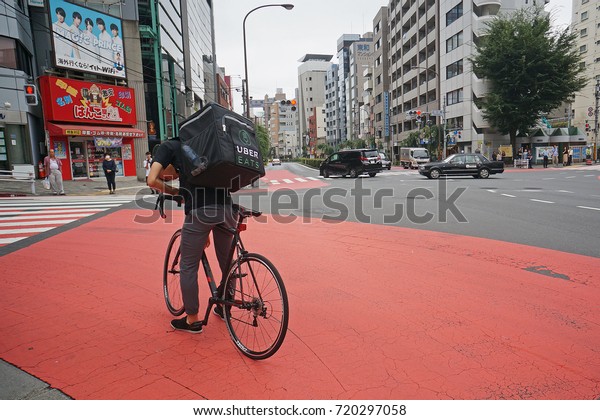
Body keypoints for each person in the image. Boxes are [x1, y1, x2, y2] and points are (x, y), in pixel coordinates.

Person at [148, 138, 236, 334]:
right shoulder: (205, 143)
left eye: (169, 174)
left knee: (188, 265)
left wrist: (177, 192)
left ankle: (192, 319)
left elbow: (152, 180)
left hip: (201, 210)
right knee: (227, 262)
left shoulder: (168, 147)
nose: (170, 176)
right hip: (228, 207)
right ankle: (225, 306)